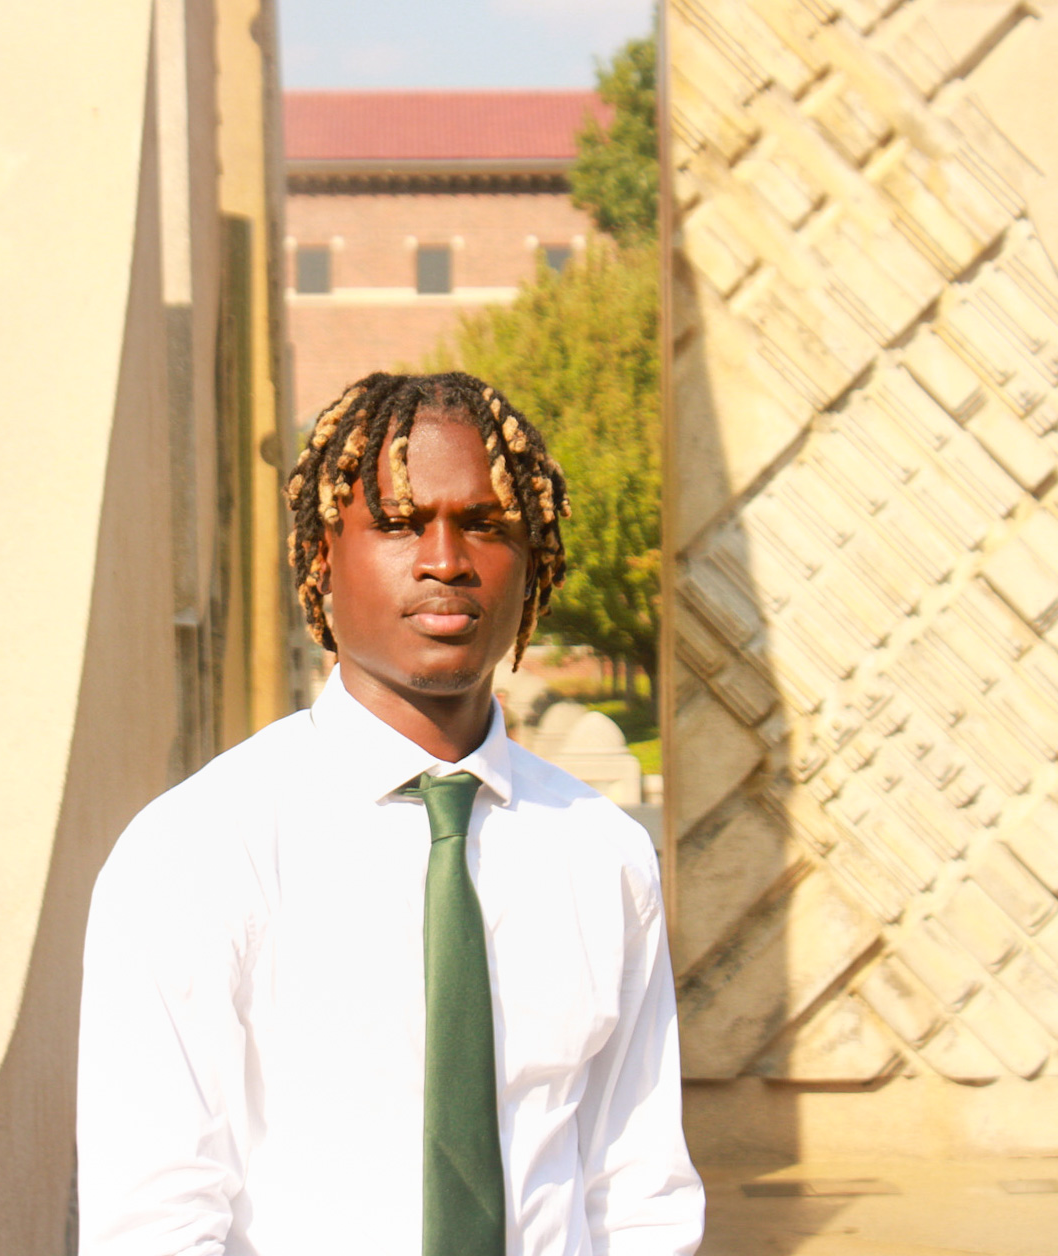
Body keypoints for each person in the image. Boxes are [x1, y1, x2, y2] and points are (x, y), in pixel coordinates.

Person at [76, 371, 704, 1256]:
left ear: (533, 561)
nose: (445, 560)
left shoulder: (602, 856)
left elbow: (637, 1192)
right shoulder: (199, 851)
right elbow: (155, 1219)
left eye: (485, 525)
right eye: (402, 524)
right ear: (323, 557)